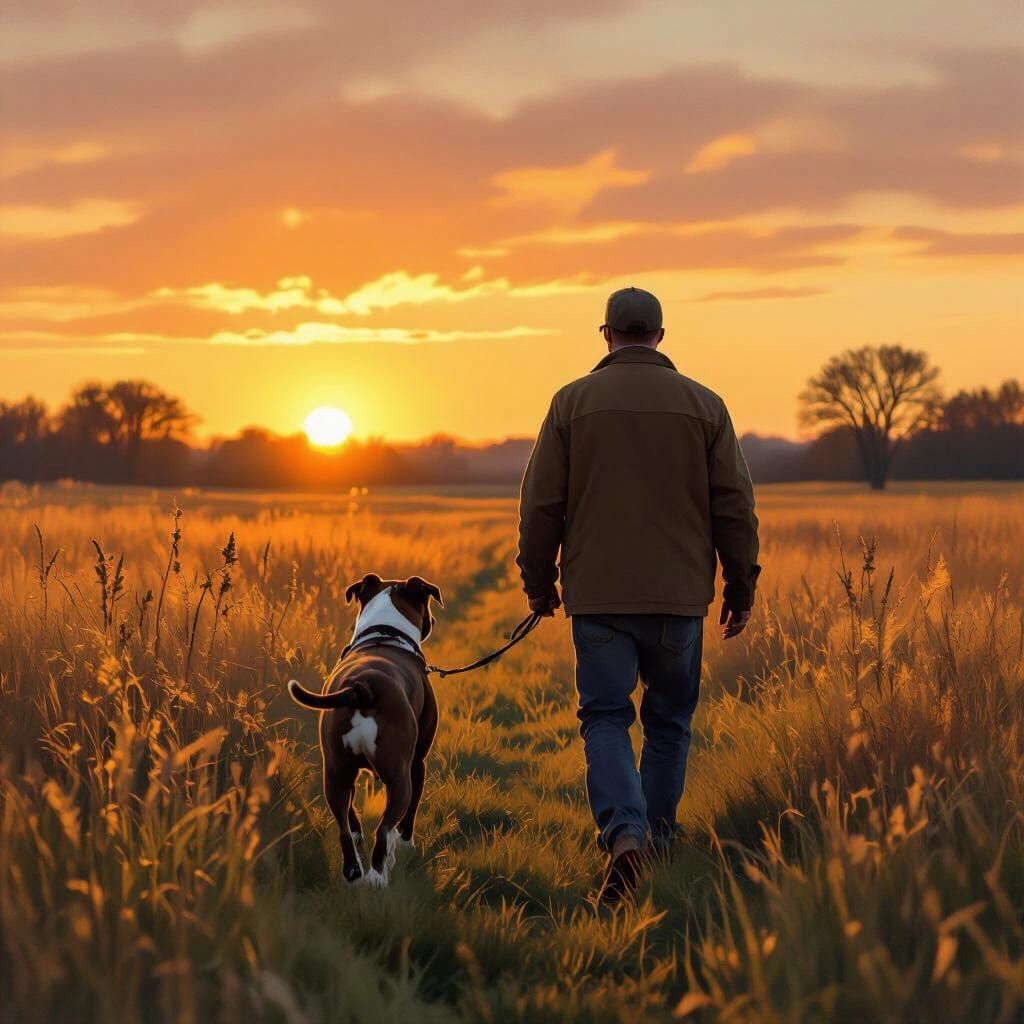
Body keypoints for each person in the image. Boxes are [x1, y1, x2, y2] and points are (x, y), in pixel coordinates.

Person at [516, 286, 760, 906]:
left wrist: (539, 582)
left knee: (604, 718)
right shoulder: (706, 406)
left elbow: (541, 504)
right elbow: (734, 504)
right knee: (669, 721)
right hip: (679, 597)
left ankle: (625, 838)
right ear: (659, 335)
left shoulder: (571, 403)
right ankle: (658, 836)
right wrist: (740, 584)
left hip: (599, 596)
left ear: (605, 335)